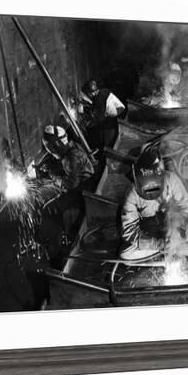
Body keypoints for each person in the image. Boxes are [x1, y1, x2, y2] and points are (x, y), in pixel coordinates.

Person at [119, 148, 188, 261]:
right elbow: (129, 230)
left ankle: (180, 244)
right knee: (126, 254)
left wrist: (175, 231)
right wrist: (157, 244)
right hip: (153, 231)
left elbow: (186, 205)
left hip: (179, 225)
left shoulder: (171, 179)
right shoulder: (132, 193)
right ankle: (177, 248)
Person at [38, 125, 95, 264]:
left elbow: (70, 185)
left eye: (51, 148)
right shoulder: (74, 147)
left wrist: (52, 175)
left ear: (57, 144)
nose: (51, 152)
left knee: (48, 209)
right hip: (89, 184)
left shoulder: (70, 159)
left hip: (83, 193)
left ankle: (55, 249)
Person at [79, 78, 125, 151]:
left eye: (87, 94)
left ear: (91, 93)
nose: (88, 96)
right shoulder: (103, 91)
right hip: (113, 119)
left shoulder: (100, 98)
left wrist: (87, 125)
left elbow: (98, 118)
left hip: (110, 125)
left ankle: (103, 156)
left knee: (106, 147)